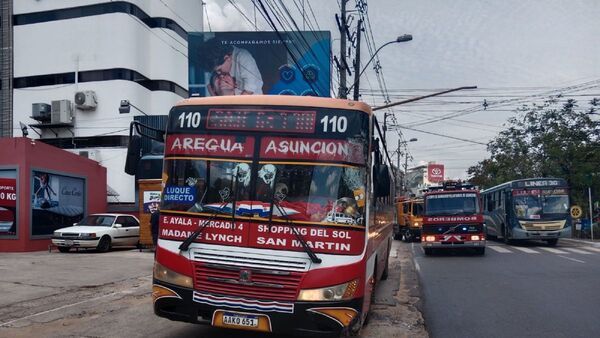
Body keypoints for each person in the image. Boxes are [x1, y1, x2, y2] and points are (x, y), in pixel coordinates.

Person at [199, 38, 263, 96]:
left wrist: (232, 107)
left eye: (219, 70)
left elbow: (249, 90)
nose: (218, 73)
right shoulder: (216, 61)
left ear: (227, 58)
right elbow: (209, 86)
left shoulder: (244, 57)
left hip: (253, 101)